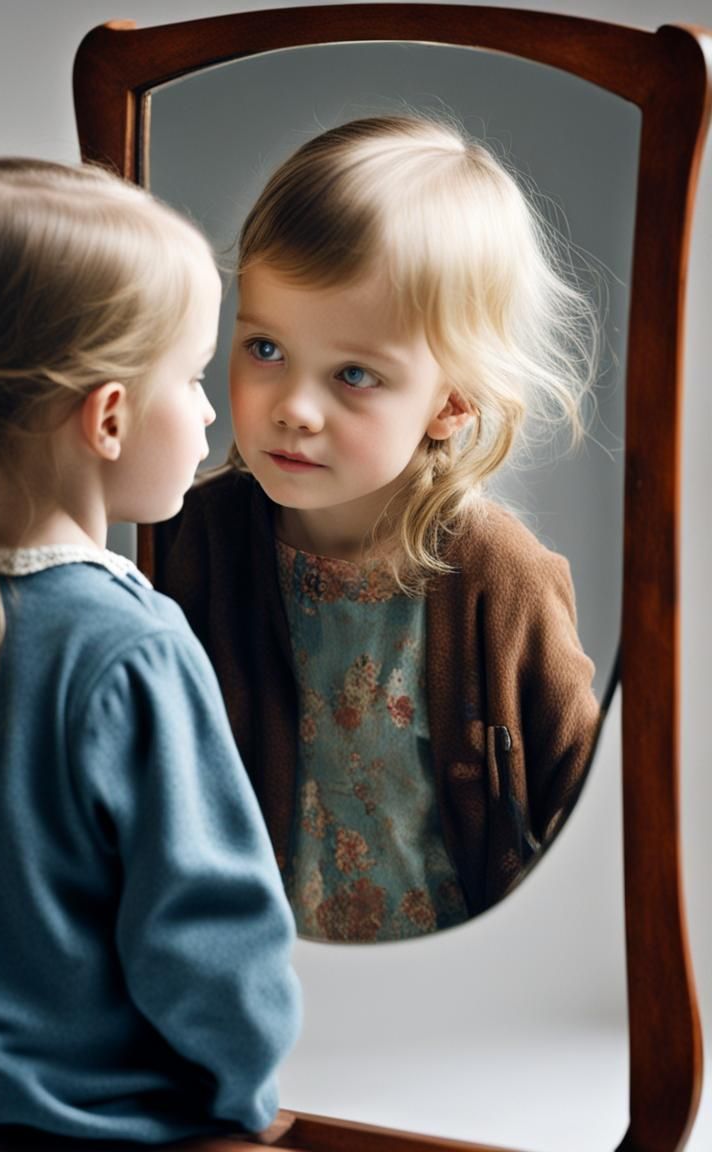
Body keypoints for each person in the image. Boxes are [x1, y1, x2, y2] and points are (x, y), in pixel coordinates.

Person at [0, 158, 301, 1142]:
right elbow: (211, 940)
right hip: (86, 1130)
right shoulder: (133, 651)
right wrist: (243, 1102)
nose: (210, 412)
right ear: (110, 417)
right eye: (194, 378)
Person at [157, 116, 601, 944]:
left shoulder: (503, 579)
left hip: (462, 983)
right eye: (264, 347)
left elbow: (591, 806)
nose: (292, 406)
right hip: (256, 978)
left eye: (353, 373)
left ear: (453, 402)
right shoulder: (200, 540)